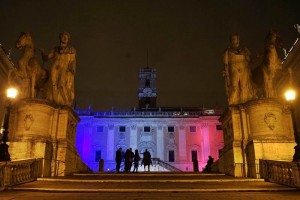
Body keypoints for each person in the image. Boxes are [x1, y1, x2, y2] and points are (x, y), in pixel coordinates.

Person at [40, 32, 76, 106]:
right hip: (55, 68)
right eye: (63, 36)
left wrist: (72, 69)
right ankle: (54, 101)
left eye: (67, 37)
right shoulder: (55, 49)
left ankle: (66, 103)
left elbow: (72, 61)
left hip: (65, 68)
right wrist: (43, 52)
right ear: (60, 38)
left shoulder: (71, 49)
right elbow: (47, 57)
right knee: (52, 84)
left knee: (61, 84)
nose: (65, 38)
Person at [223, 33, 255, 105]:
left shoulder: (244, 50)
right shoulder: (227, 51)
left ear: (238, 40)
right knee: (234, 87)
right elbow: (225, 64)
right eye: (233, 39)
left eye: (236, 39)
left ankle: (245, 103)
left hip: (244, 67)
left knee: (244, 86)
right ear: (231, 41)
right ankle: (232, 103)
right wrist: (226, 74)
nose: (234, 41)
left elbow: (251, 60)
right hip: (233, 68)